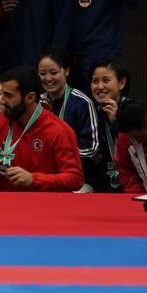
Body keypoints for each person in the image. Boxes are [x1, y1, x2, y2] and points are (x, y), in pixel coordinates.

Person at [0, 66, 84, 192]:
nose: (1, 101)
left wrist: (34, 179)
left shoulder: (59, 131)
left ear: (30, 98)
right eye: (2, 94)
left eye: (8, 96)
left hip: (47, 206)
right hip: (9, 205)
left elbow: (75, 178)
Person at [38, 46, 108, 192]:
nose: (48, 78)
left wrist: (57, 154)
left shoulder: (82, 103)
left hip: (79, 179)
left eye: (54, 72)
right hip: (45, 174)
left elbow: (92, 147)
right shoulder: (37, 103)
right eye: (42, 73)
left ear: (67, 71)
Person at [88, 56, 129, 191]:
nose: (99, 87)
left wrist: (116, 123)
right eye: (95, 81)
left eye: (106, 80)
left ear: (121, 83)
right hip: (101, 183)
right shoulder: (90, 111)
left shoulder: (133, 110)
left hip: (131, 181)